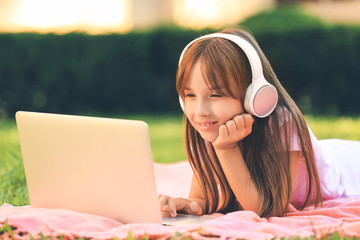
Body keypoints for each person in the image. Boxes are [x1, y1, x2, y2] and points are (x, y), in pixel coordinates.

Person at [158, 27, 360, 218]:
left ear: (254, 95)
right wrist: (190, 206)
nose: (200, 112)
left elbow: (266, 209)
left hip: (350, 169)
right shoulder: (209, 126)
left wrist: (227, 150)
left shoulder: (282, 124)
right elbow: (200, 198)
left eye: (216, 95)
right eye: (190, 95)